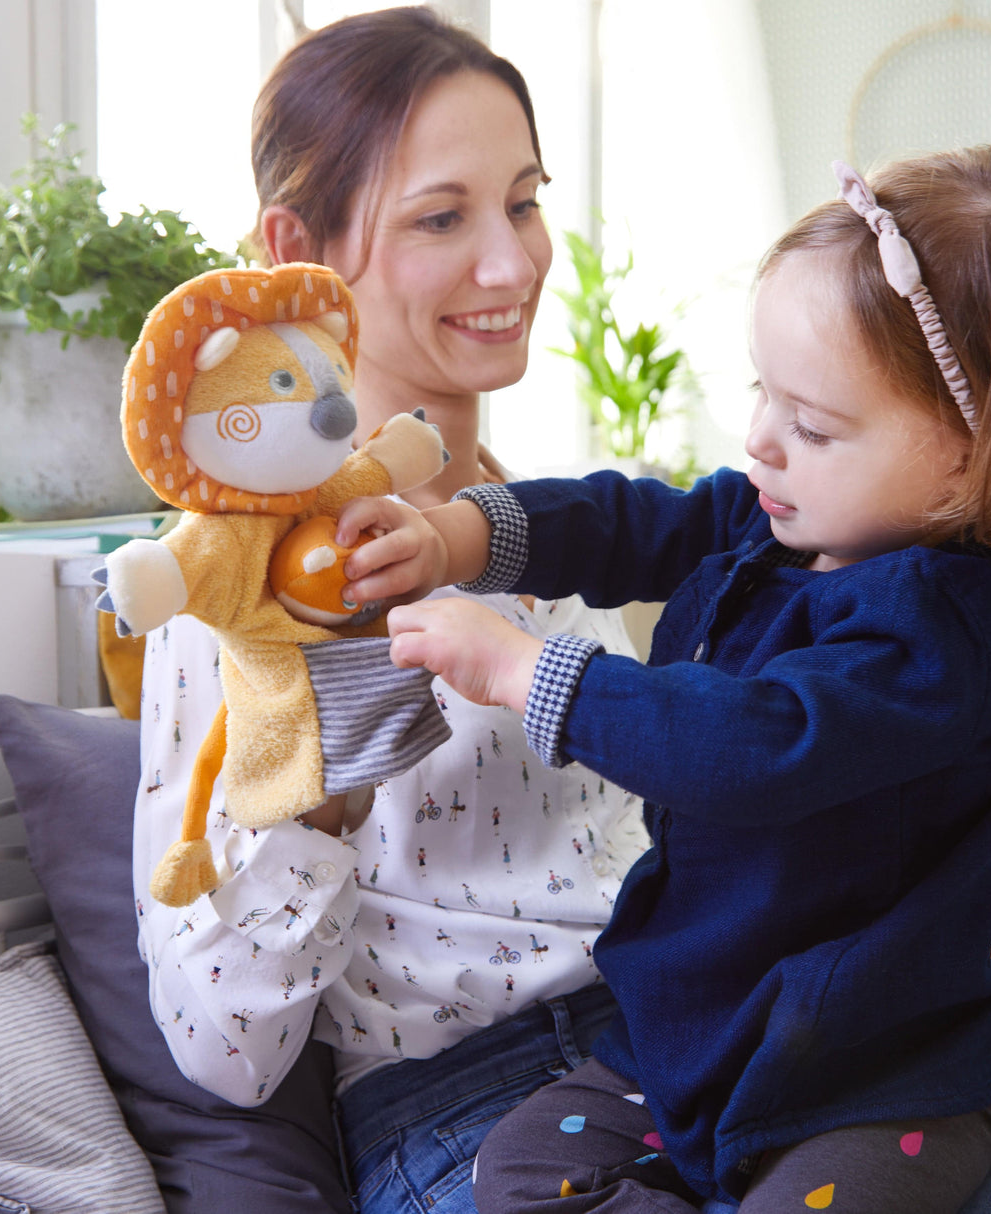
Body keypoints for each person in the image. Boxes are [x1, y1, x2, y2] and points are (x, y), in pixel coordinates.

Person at [337, 146, 991, 1211]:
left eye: (811, 425)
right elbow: (633, 520)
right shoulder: (784, 523)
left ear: (980, 453)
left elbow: (754, 743)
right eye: (765, 391)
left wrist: (530, 670)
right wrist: (454, 536)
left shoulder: (938, 635)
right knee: (517, 1172)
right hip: (693, 1044)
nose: (759, 438)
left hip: (874, 1083)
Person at [133, 8, 649, 1213]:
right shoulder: (233, 588)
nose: (513, 264)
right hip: (470, 1119)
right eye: (441, 217)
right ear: (295, 248)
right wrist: (322, 798)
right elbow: (219, 1048)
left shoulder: (538, 522)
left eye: (523, 202)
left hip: (682, 1041)